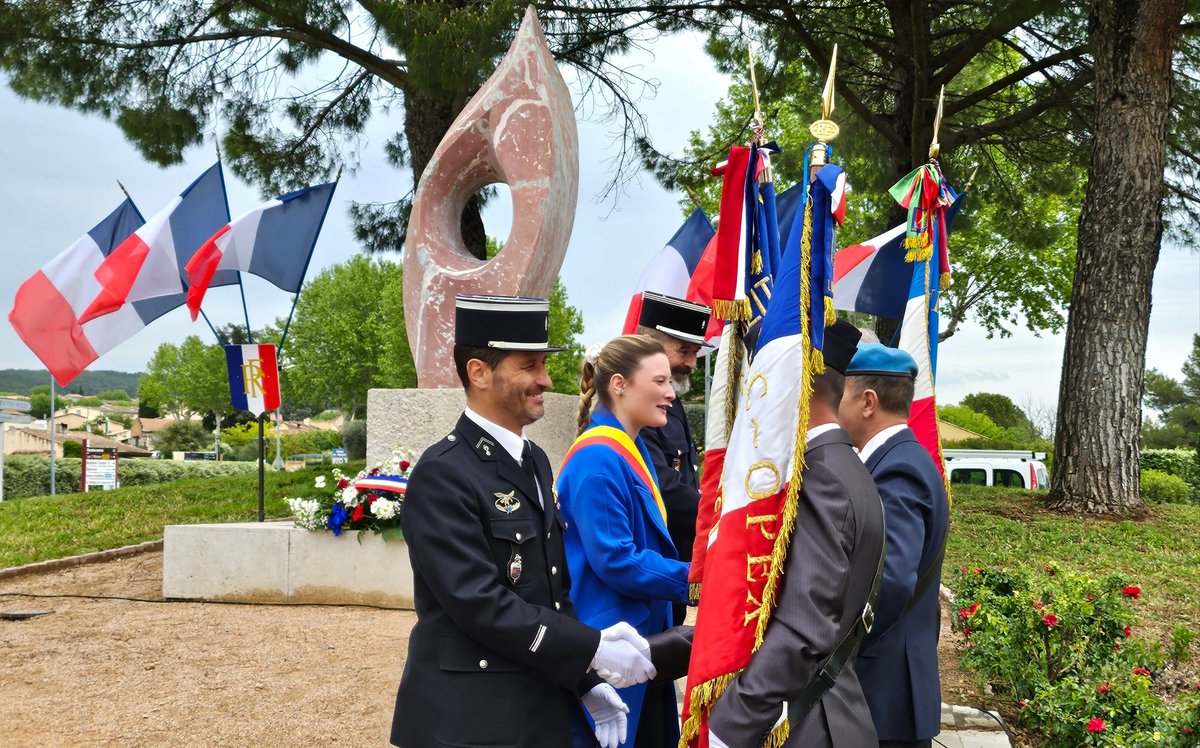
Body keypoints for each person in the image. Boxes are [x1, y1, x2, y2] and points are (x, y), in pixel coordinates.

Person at [391, 295, 657, 748]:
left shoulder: (533, 460)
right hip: (468, 719)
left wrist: (585, 679)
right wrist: (587, 646)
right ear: (478, 372)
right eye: (528, 366)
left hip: (535, 705)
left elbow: (551, 590)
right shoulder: (443, 473)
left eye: (543, 365)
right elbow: (480, 603)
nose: (545, 380)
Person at [708, 320, 886, 748]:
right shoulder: (839, 465)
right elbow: (771, 608)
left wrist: (729, 727)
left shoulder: (820, 476)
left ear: (790, 386)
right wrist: (661, 652)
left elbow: (805, 628)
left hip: (806, 723)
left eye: (762, 379)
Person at [557, 334, 692, 747]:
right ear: (619, 384)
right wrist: (700, 577)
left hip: (641, 643)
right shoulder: (598, 457)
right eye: (659, 381)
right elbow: (617, 559)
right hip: (611, 647)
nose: (670, 393)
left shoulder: (627, 449)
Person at [839, 344, 950, 748]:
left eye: (840, 394)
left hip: (882, 692)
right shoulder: (896, 458)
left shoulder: (897, 468)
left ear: (868, 401)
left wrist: (837, 647)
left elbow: (892, 579)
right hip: (887, 691)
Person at [633, 290, 711, 625]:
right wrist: (715, 518)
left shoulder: (670, 400)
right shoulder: (634, 405)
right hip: (650, 570)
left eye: (695, 352)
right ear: (649, 341)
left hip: (675, 562)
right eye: (685, 350)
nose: (692, 363)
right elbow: (660, 483)